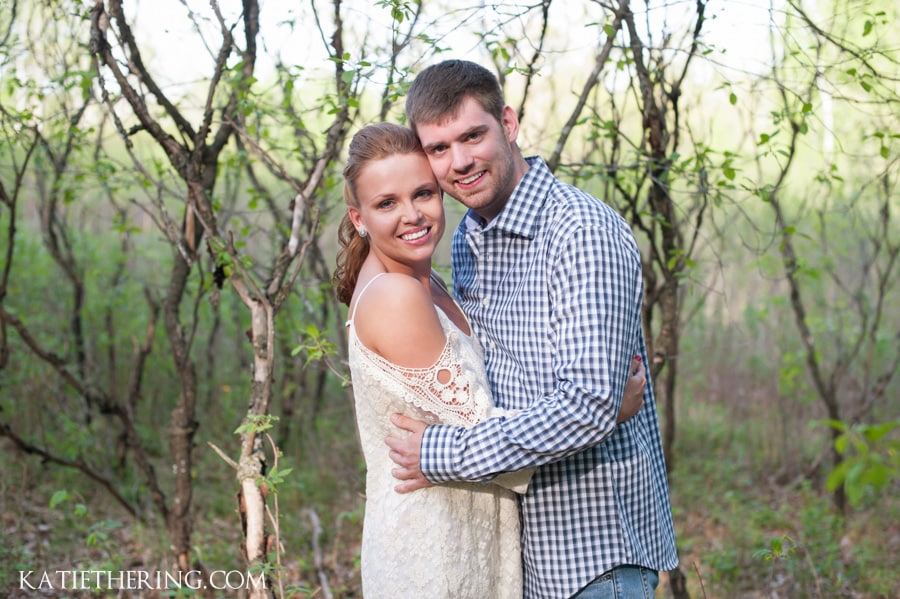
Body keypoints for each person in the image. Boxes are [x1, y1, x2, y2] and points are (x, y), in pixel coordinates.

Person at [385, 60, 679, 599]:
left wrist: (442, 454)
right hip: (517, 551)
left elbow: (586, 404)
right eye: (439, 148)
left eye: (473, 135)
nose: (461, 161)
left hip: (591, 554)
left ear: (509, 123)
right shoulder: (471, 238)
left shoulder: (580, 232)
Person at [333, 122, 647, 599]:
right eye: (387, 204)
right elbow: (481, 434)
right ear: (359, 218)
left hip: (473, 531)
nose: (413, 215)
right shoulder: (396, 295)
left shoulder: (429, 279)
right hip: (436, 548)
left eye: (423, 193)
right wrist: (603, 410)